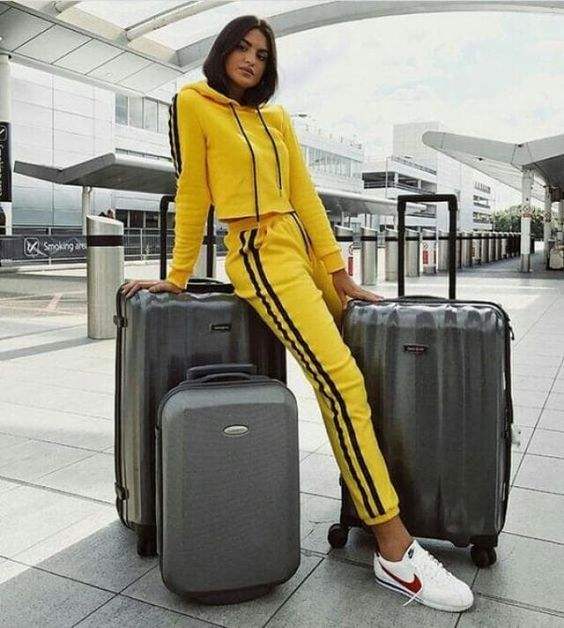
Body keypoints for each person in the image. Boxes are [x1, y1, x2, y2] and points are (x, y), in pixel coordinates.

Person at [121, 15, 473, 613]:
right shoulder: (194, 104)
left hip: (303, 248)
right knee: (340, 381)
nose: (251, 59)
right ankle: (394, 547)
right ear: (222, 51)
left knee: (369, 369)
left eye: (262, 53)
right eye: (242, 47)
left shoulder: (277, 119)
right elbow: (193, 191)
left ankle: (370, 501)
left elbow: (306, 196)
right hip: (260, 252)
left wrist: (338, 274)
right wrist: (177, 275)